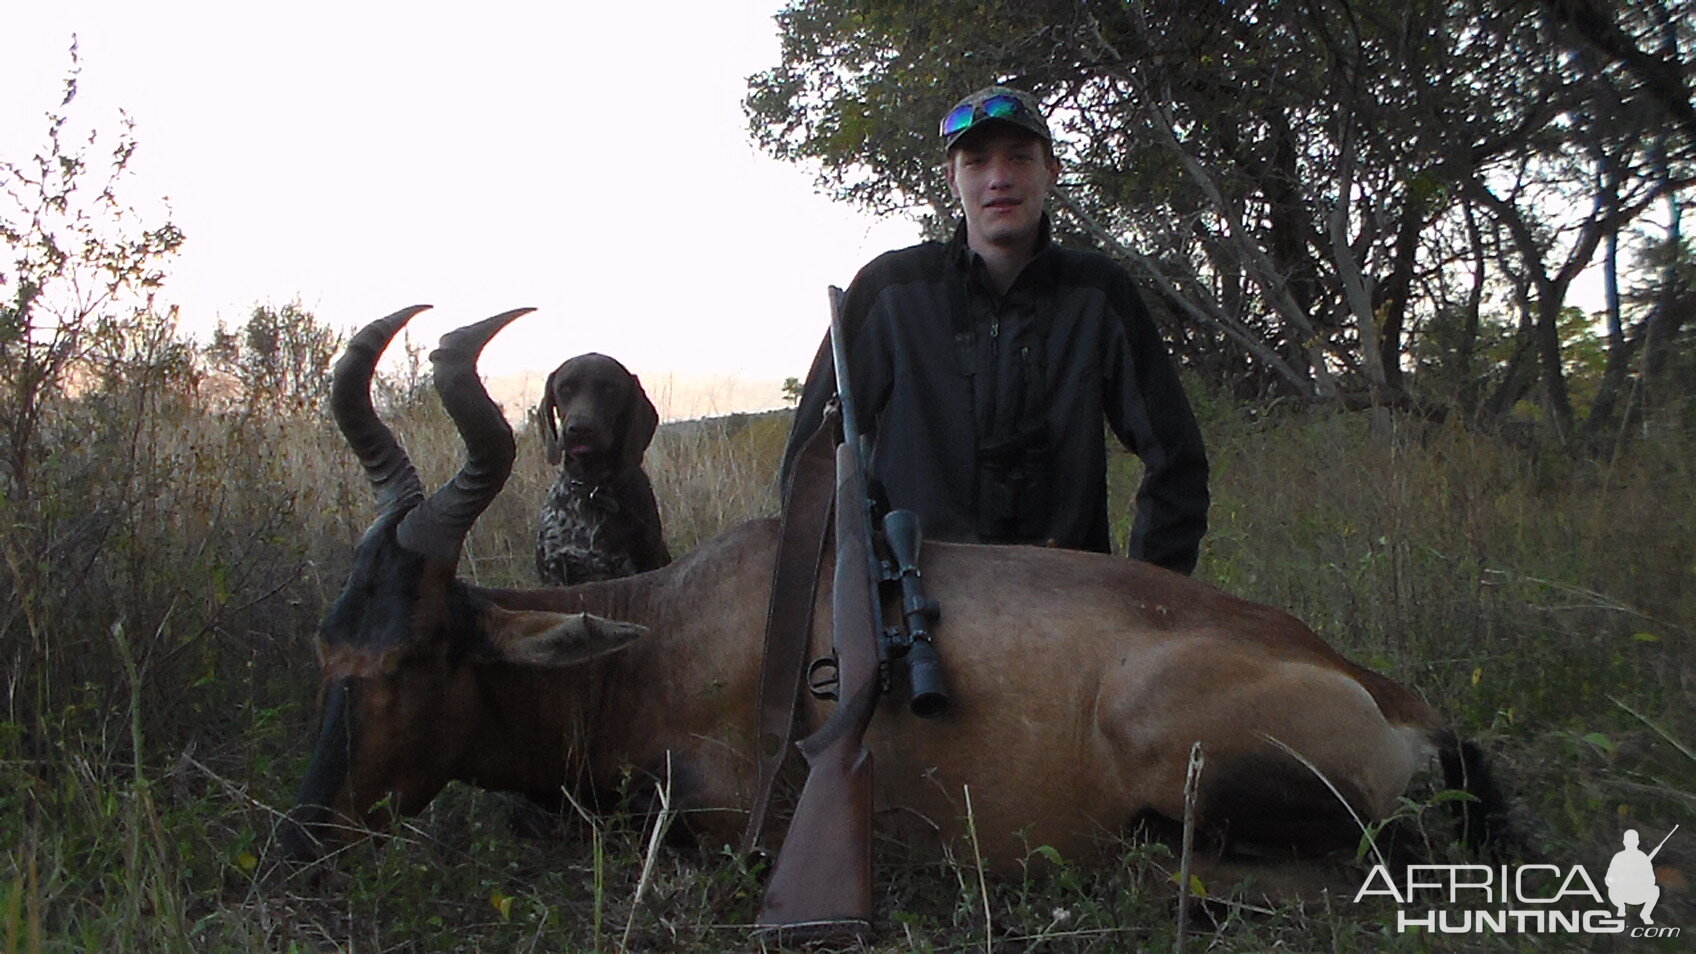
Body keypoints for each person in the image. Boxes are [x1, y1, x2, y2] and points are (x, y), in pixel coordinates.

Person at [781, 85, 1209, 574]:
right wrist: (858, 586)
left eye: (1020, 159)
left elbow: (1178, 460)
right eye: (977, 162)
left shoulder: (1098, 294)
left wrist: (1146, 596)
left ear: (1051, 171)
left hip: (1069, 605)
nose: (999, 179)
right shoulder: (889, 293)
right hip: (917, 603)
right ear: (952, 177)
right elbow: (808, 468)